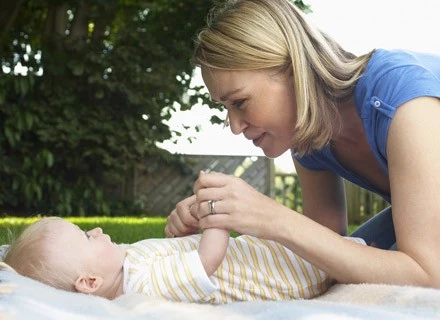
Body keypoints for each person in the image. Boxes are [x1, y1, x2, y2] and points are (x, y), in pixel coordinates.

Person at [165, 0, 440, 288]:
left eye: (240, 102)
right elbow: (322, 253)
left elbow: (428, 275)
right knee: (345, 271)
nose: (235, 126)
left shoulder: (403, 101)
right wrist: (211, 232)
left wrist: (275, 218)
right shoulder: (310, 140)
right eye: (226, 108)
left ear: (293, 70)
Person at [2, 216, 366, 303]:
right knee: (368, 255)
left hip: (268, 253)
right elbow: (206, 260)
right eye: (86, 238)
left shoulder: (126, 264)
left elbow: (178, 252)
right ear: (89, 283)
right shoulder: (142, 286)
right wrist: (217, 214)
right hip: (289, 273)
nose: (96, 229)